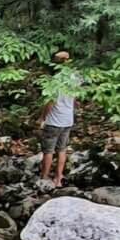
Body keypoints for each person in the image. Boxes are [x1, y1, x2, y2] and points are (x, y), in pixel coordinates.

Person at [39, 50, 79, 188]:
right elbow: (75, 98)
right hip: (68, 120)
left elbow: (50, 102)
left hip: (53, 121)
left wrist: (43, 118)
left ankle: (44, 178)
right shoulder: (76, 77)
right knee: (62, 149)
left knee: (48, 151)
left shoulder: (55, 80)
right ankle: (58, 178)